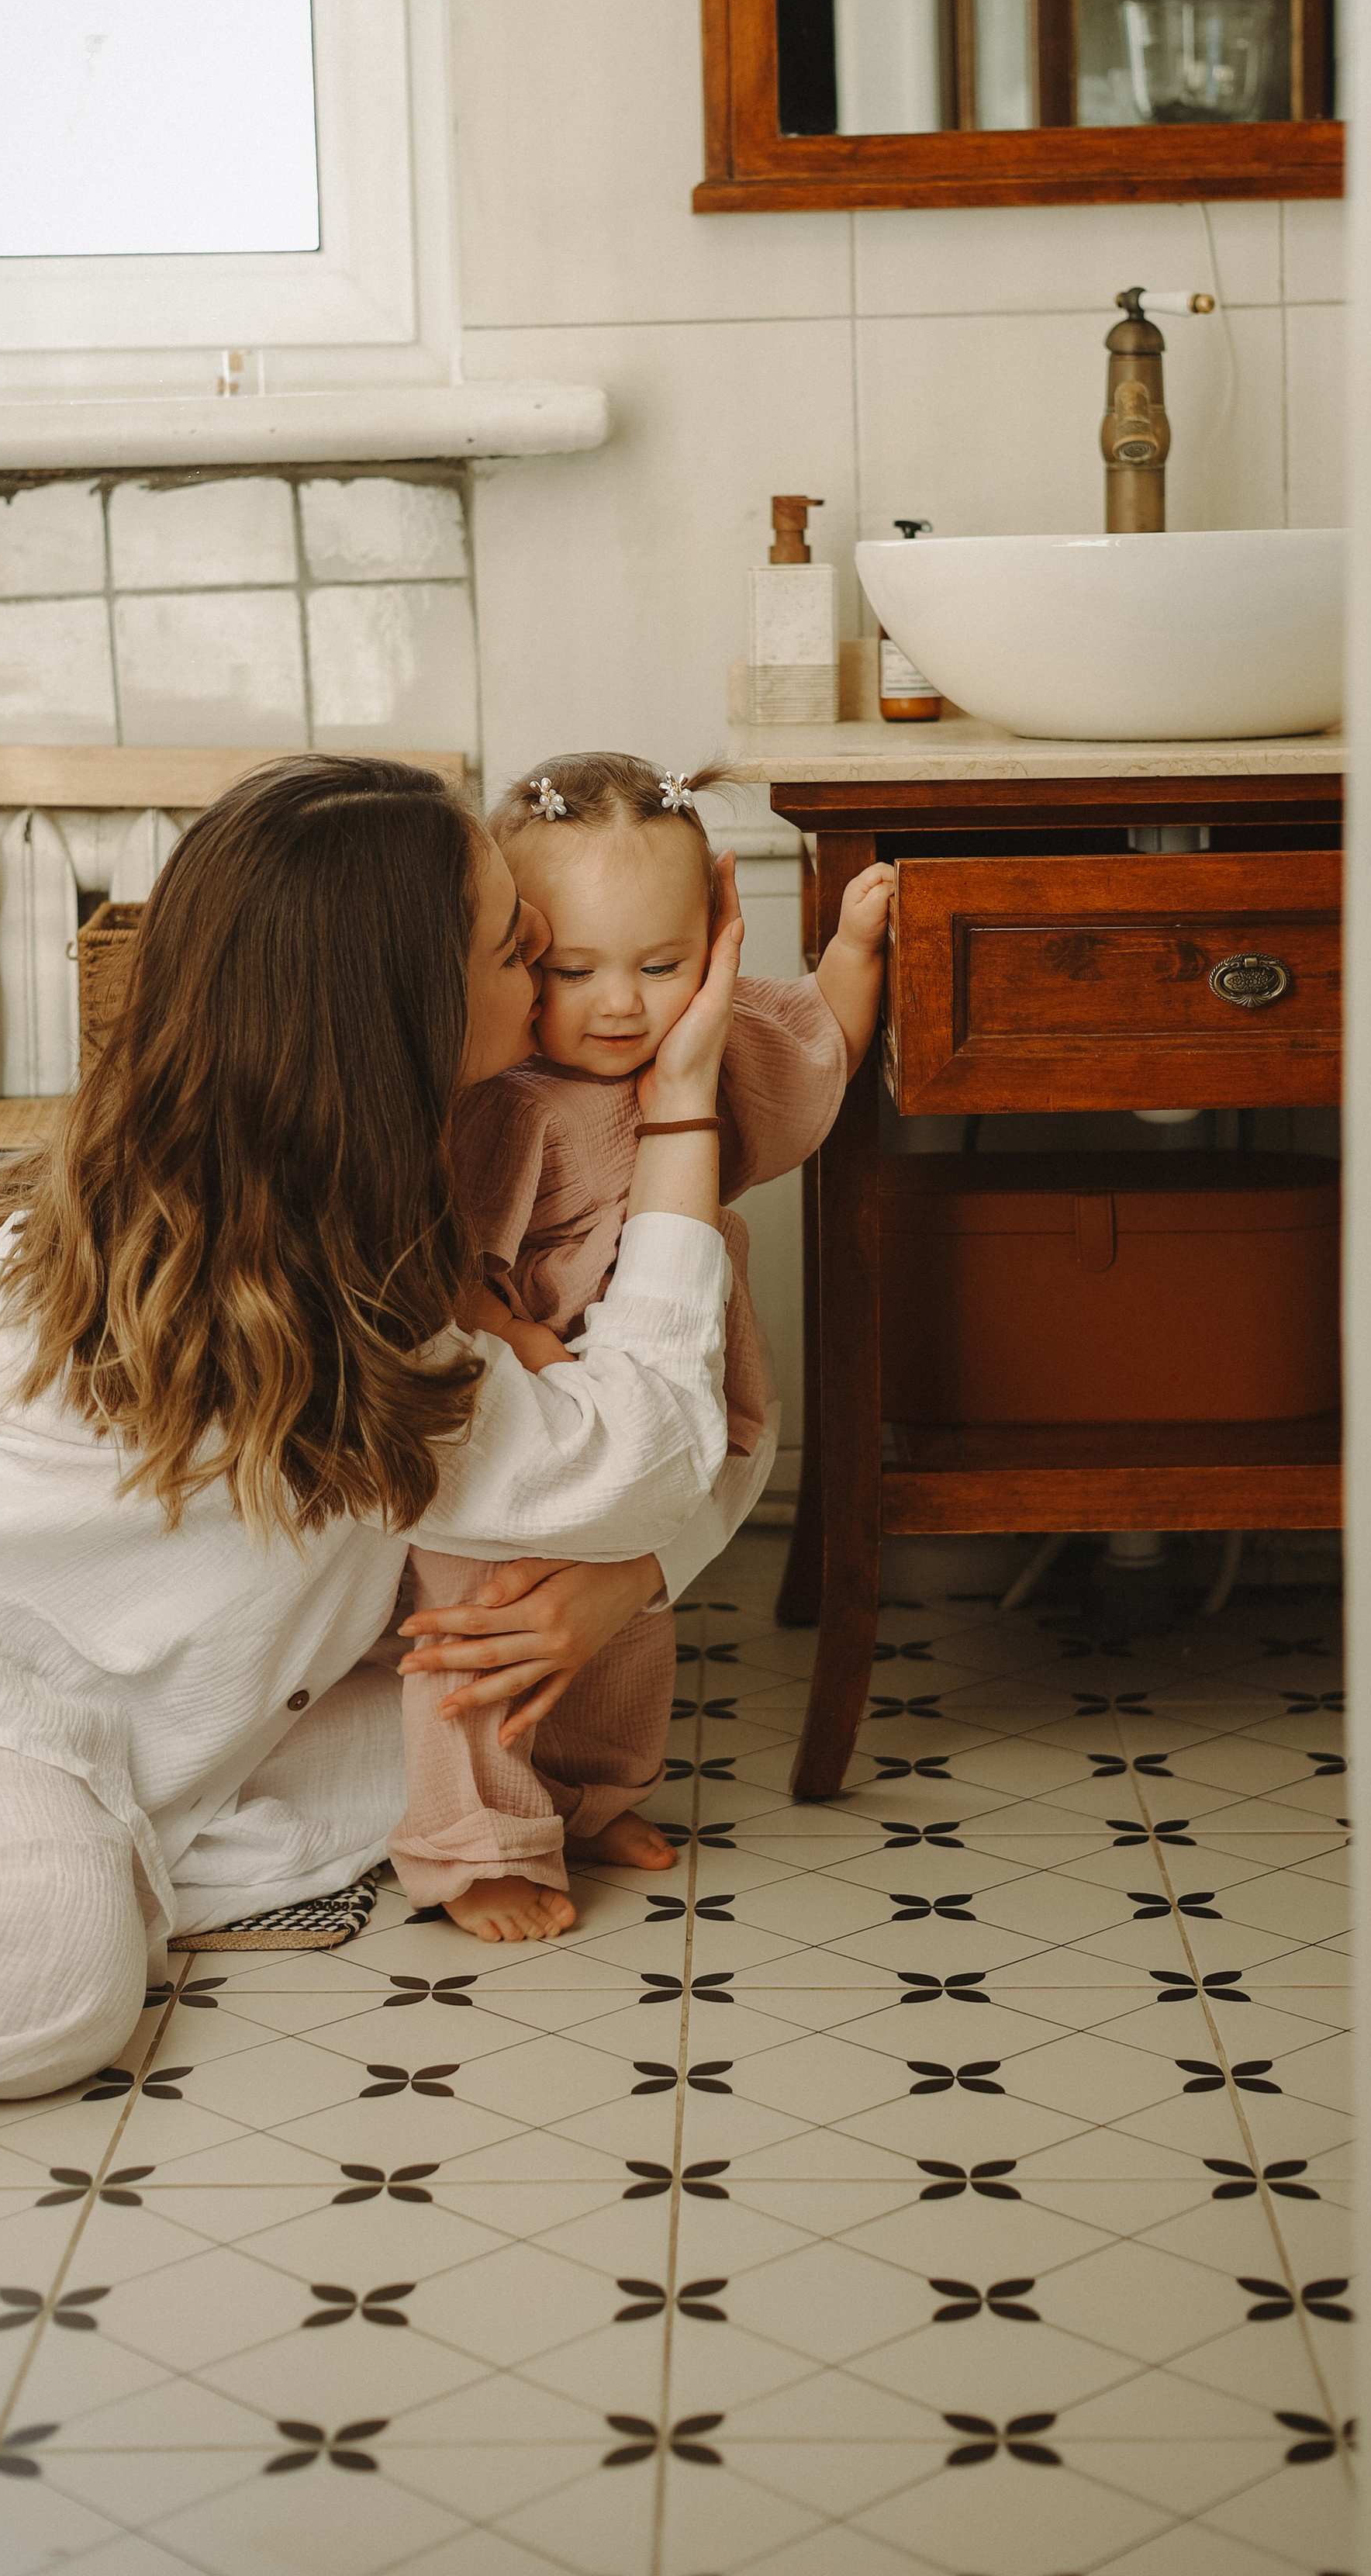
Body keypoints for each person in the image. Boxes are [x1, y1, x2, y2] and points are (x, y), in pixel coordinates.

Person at [0, 756, 745, 2120]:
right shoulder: (294, 1295)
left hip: (22, 1636)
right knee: (49, 1951)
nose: (545, 960)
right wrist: (688, 1096)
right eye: (514, 944)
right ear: (410, 1012)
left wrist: (635, 1579)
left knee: (449, 1736)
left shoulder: (311, 1192)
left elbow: (684, 1452)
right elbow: (650, 1453)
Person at [390, 752, 893, 1942]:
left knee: (627, 1625)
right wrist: (518, 1336)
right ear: (515, 953)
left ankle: (591, 1796)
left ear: (712, 935)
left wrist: (849, 963)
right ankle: (481, 1845)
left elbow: (813, 1047)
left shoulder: (704, 1043)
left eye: (662, 966)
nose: (621, 1004)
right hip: (514, 1415)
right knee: (484, 1634)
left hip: (670, 1374)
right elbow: (444, 1269)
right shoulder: (500, 1100)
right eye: (571, 970)